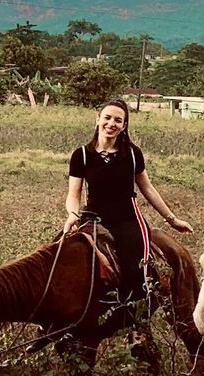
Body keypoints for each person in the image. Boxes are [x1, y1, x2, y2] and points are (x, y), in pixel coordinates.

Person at [63, 99, 192, 318]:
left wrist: (172, 219)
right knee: (61, 256)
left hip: (127, 218)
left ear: (124, 126)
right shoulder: (81, 155)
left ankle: (135, 323)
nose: (111, 123)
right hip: (93, 218)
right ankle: (55, 322)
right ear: (98, 120)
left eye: (118, 120)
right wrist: (72, 216)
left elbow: (148, 189)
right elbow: (73, 194)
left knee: (136, 268)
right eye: (107, 117)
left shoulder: (132, 154)